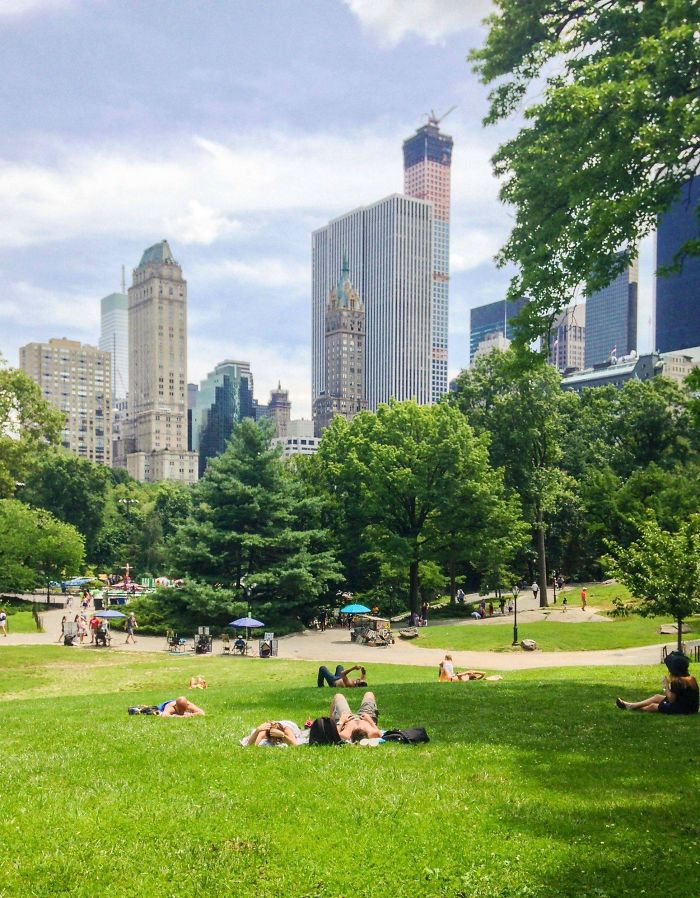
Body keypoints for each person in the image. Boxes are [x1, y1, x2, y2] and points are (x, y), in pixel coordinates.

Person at [617, 652, 699, 714]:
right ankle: (631, 705)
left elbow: (671, 699)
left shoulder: (677, 682)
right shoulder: (691, 679)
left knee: (653, 706)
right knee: (657, 697)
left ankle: (634, 708)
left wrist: (666, 686)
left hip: (682, 710)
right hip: (692, 708)